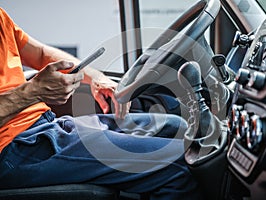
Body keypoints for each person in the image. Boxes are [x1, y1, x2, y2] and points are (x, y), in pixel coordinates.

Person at [0, 7, 201, 199]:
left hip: (42, 126)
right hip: (12, 148)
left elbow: (40, 53)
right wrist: (33, 91)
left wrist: (96, 77)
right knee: (179, 164)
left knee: (175, 127)